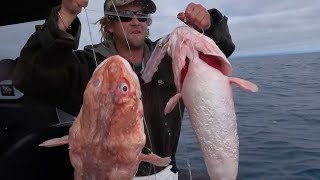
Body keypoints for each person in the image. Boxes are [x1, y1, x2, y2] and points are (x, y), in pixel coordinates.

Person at [12, 0, 235, 178]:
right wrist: (66, 15)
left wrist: (209, 25)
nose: (136, 21)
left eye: (142, 16)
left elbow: (216, 54)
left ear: (148, 23)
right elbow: (31, 77)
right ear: (108, 25)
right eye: (126, 16)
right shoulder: (88, 65)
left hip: (167, 170)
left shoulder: (170, 57)